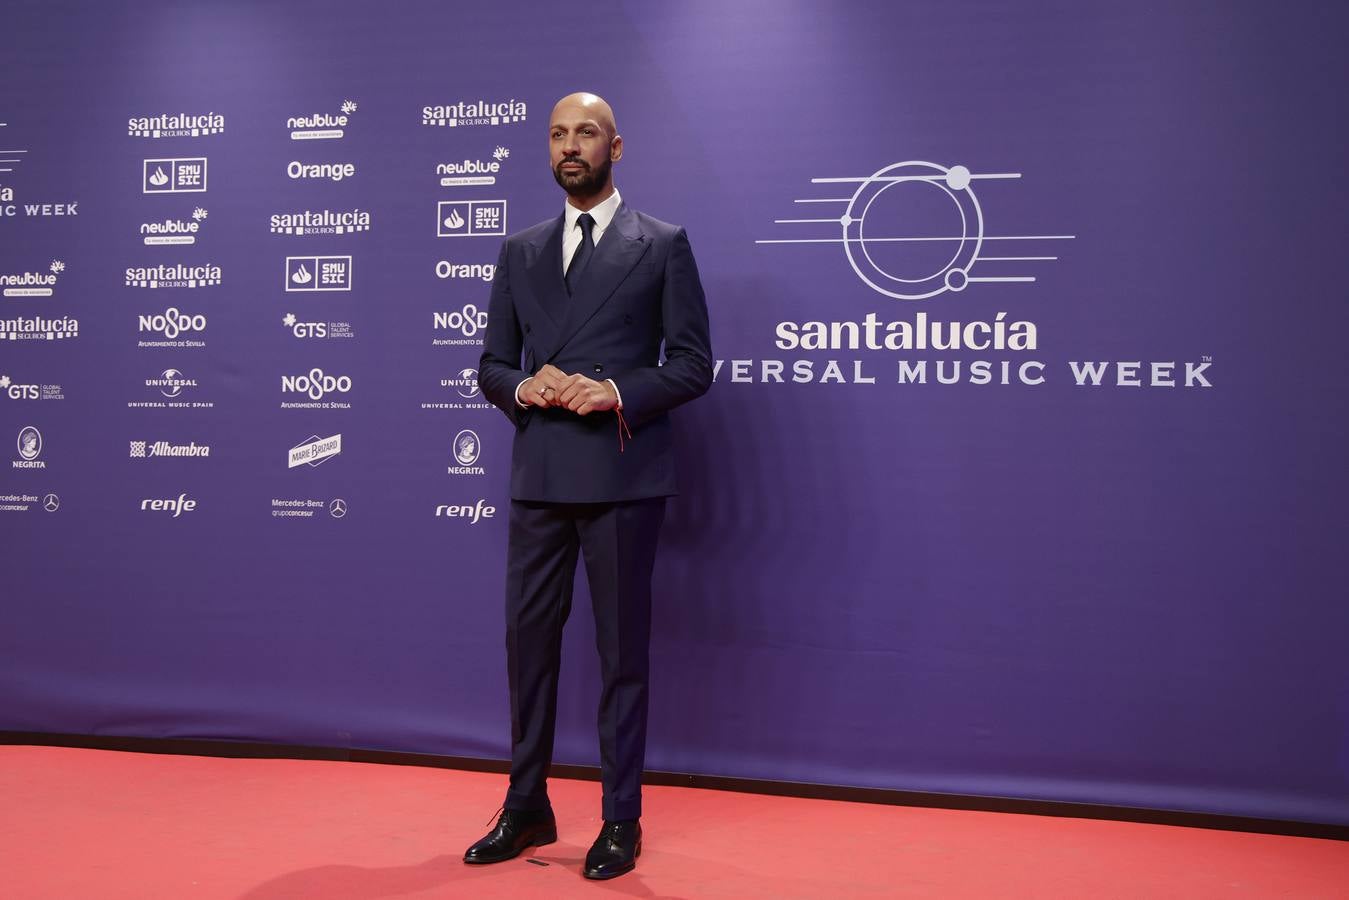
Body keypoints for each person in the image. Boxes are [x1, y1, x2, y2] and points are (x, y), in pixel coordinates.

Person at [466, 92, 712, 880]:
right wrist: (520, 388)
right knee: (526, 648)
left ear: (616, 147)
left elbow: (691, 365)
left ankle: (619, 818)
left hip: (620, 478)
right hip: (539, 476)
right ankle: (526, 805)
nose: (570, 146)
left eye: (586, 134)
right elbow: (491, 365)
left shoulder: (662, 243)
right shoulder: (520, 249)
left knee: (619, 656)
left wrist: (614, 393)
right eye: (558, 135)